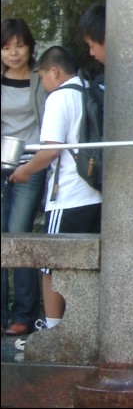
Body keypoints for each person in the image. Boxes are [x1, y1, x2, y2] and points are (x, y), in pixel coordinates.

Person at [8, 46, 102, 331]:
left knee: (50, 264)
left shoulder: (60, 96)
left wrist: (24, 170)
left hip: (68, 194)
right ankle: (84, 326)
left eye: (43, 77)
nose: (43, 85)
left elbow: (51, 150)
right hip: (94, 190)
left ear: (54, 71)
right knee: (87, 264)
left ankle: (52, 329)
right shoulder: (88, 88)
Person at [1, 19, 47, 336]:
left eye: (19, 45)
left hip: (29, 165)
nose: (13, 53)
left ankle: (24, 313)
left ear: (30, 46)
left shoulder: (40, 79)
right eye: (5, 47)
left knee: (19, 233)